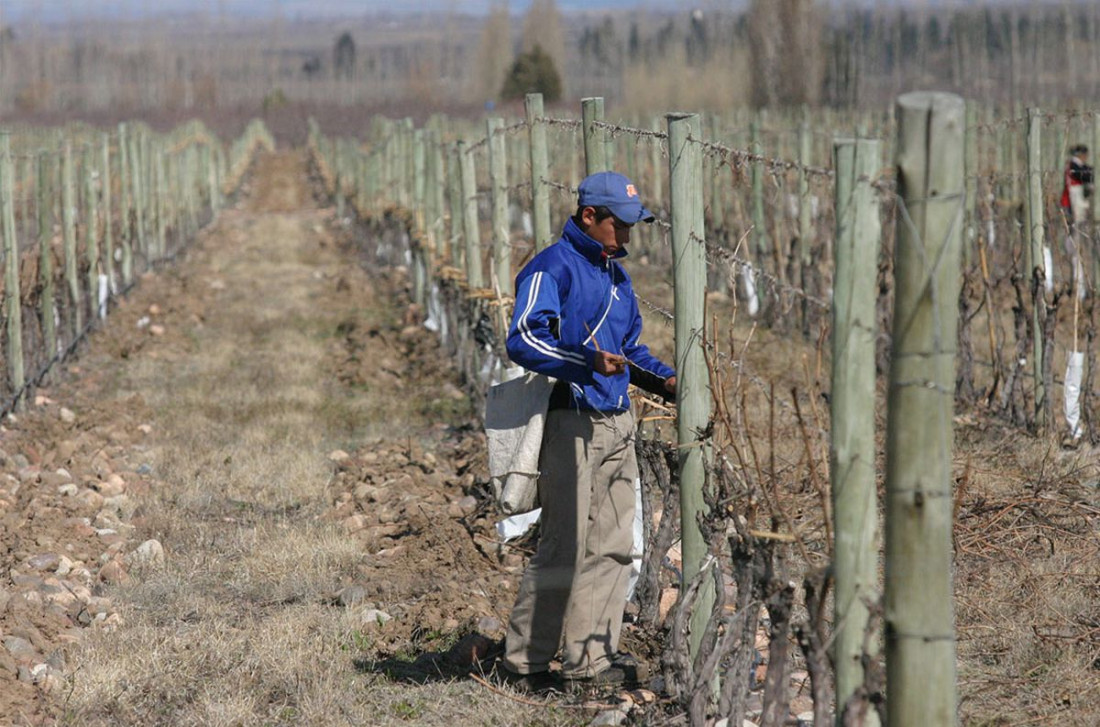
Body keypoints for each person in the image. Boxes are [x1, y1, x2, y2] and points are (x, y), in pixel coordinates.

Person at [499, 171, 676, 692]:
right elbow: (525, 338)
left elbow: (630, 352)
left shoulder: (618, 280)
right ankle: (524, 664)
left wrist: (666, 379)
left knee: (615, 545)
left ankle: (589, 663)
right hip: (569, 419)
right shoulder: (550, 268)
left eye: (632, 226)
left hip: (617, 421)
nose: (626, 237)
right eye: (618, 225)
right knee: (563, 545)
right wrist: (583, 362)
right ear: (588, 217)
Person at [1060, 143, 1093, 227]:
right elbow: (1083, 175)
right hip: (1073, 197)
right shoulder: (1074, 165)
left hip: (1072, 197)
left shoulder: (1075, 164)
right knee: (1076, 223)